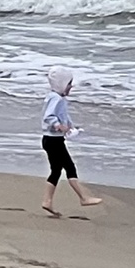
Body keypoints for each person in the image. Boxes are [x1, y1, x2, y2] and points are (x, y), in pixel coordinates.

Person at [40, 65, 102, 217]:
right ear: (61, 84)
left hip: (50, 140)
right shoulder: (56, 99)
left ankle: (47, 201)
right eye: (68, 83)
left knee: (56, 170)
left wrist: (70, 127)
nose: (71, 86)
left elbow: (63, 116)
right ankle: (83, 198)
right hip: (54, 141)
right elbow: (49, 117)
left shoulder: (56, 98)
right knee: (69, 167)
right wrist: (59, 126)